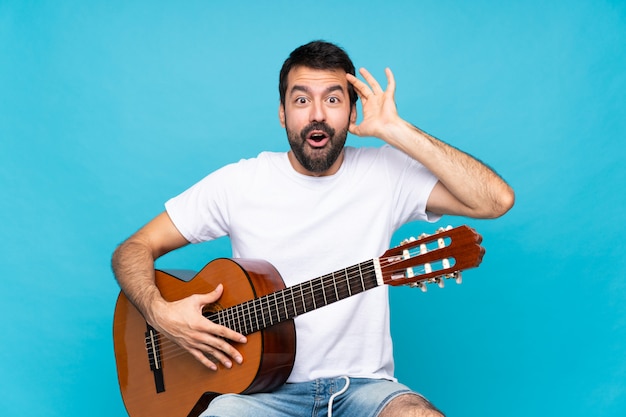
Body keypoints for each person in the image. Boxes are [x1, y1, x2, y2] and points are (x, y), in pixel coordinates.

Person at [112, 40, 514, 417]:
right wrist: (159, 313)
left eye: (333, 100)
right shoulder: (238, 183)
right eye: (301, 99)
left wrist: (397, 131)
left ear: (352, 113)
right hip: (258, 397)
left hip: (363, 388)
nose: (317, 114)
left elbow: (495, 201)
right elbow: (133, 249)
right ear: (282, 112)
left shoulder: (386, 173)